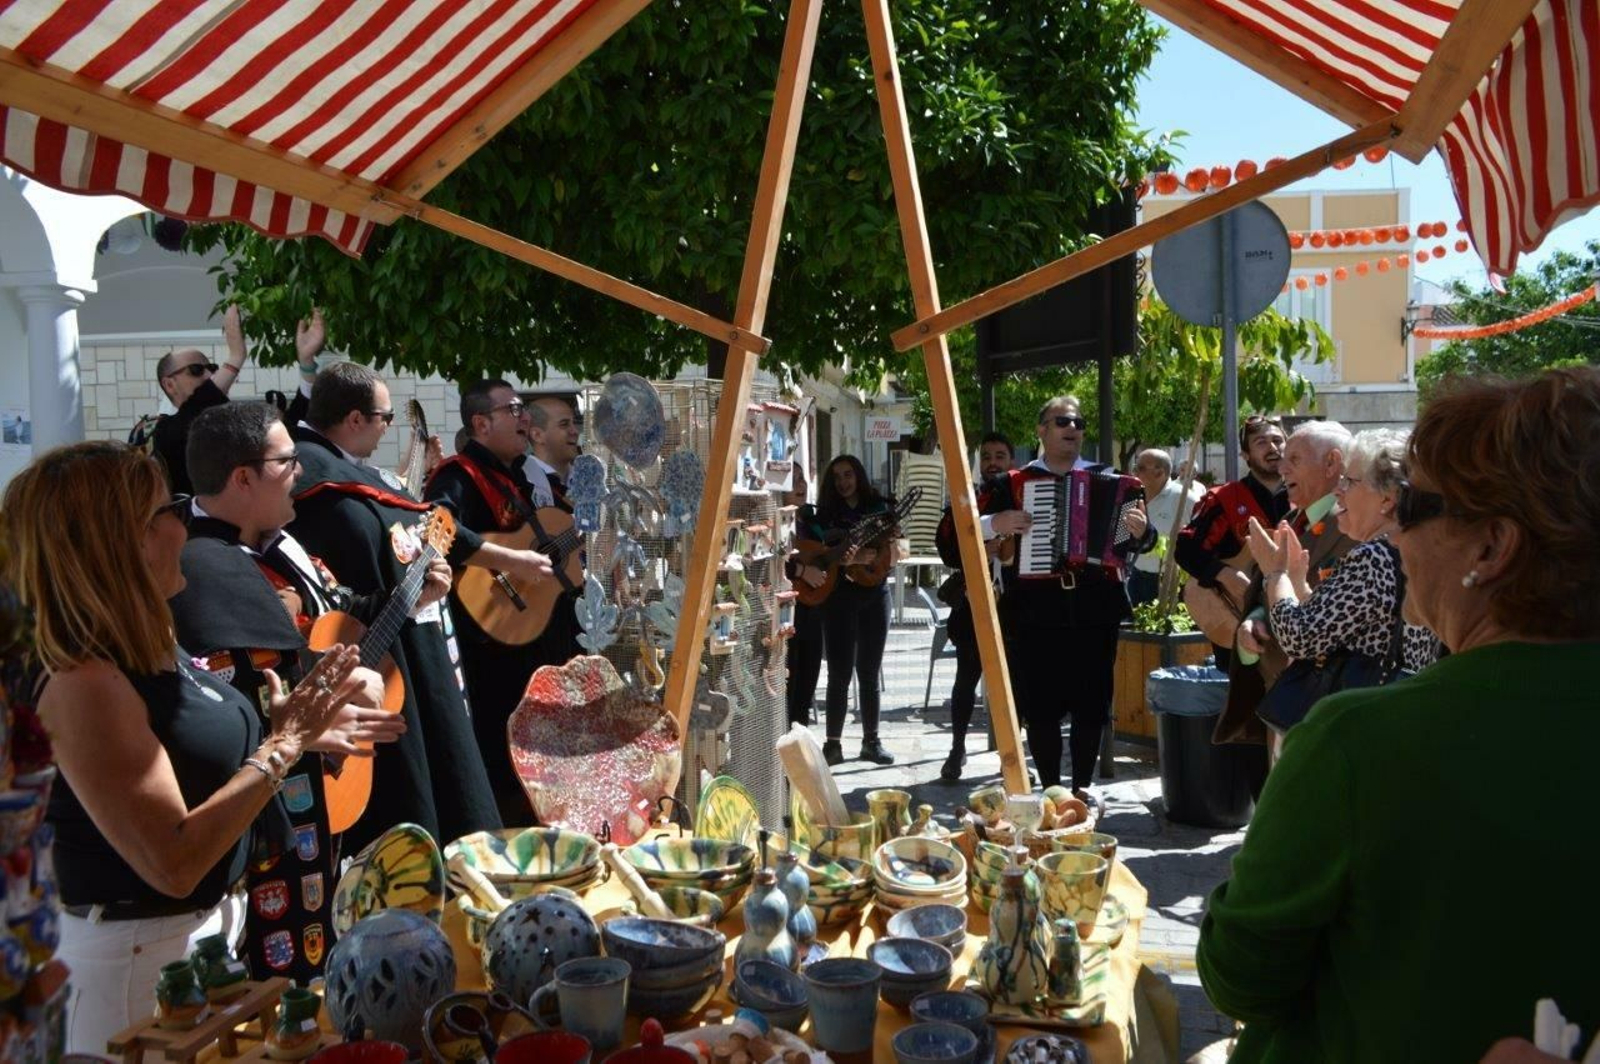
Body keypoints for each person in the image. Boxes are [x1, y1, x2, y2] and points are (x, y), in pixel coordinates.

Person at [1196, 368, 1600, 1061]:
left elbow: (1241, 976)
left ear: (1491, 547)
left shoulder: (1357, 743)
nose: (1397, 531)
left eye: (1411, 505)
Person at [1, 441, 365, 1052]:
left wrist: (287, 733)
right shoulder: (82, 681)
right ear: (123, 541)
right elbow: (171, 861)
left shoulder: (142, 638)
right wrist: (282, 746)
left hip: (194, 946)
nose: (185, 521)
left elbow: (196, 763)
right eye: (169, 509)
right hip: (134, 972)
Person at [169, 402, 414, 981]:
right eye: (287, 461)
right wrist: (320, 715)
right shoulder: (198, 568)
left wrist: (408, 596)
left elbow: (336, 613)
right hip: (262, 829)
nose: (300, 471)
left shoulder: (280, 542)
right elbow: (229, 690)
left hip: (316, 801)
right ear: (243, 478)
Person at [289, 362, 506, 847]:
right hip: (365, 677)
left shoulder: (349, 477)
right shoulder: (318, 485)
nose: (388, 428)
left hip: (404, 645)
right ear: (354, 419)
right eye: (385, 418)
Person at [979, 397, 1154, 797]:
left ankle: (1082, 789)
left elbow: (1134, 542)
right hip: (1035, 609)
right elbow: (966, 525)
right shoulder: (1011, 483)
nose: (1072, 428)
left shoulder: (1113, 480)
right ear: (1041, 430)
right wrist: (996, 522)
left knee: (1092, 704)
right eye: (1062, 421)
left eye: (1078, 422)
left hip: (1095, 606)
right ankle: (1051, 790)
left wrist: (1141, 532)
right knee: (1039, 705)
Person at [425, 380, 570, 824]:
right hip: (490, 645)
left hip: (531, 637)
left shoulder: (524, 477)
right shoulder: (458, 476)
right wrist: (510, 560)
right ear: (481, 423)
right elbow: (436, 528)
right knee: (505, 764)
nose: (525, 418)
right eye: (514, 409)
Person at [1246, 428, 1443, 693]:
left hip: (1368, 708)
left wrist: (1276, 574)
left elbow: (1300, 637)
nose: (1338, 491)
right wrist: (1298, 583)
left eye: (1349, 481)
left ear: (1387, 498)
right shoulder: (1406, 550)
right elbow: (1337, 621)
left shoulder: (1373, 557)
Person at [1213, 419, 1357, 746]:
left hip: (1327, 711)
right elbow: (1265, 592)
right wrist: (1253, 622)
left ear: (1332, 463)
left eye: (1294, 459)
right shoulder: (1292, 520)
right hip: (1282, 702)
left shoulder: (1355, 527)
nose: (1282, 469)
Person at [152, 307, 325, 495]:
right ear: (169, 384)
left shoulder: (233, 422)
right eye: (196, 370)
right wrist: (235, 357)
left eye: (212, 368)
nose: (209, 375)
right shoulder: (165, 432)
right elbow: (195, 413)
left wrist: (307, 364)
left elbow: (292, 428)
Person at [1174, 415, 1290, 664]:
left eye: (1277, 440)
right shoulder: (1224, 499)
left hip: (1293, 621)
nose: (1272, 448)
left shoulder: (1305, 495)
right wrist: (1225, 574)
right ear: (1245, 455)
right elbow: (1185, 549)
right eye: (1261, 442)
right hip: (1235, 618)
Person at [933, 432, 1014, 782]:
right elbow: (949, 551)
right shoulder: (968, 498)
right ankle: (957, 749)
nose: (992, 463)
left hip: (1014, 606)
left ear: (1011, 460)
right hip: (973, 604)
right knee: (965, 680)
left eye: (999, 456)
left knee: (1014, 685)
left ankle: (1011, 757)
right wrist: (979, 548)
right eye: (987, 456)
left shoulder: (1023, 494)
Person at [811, 454, 899, 766]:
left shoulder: (878, 507)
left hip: (875, 594)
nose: (843, 482)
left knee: (869, 671)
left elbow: (899, 549)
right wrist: (845, 558)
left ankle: (871, 742)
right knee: (839, 672)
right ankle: (832, 745)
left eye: (848, 474)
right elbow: (817, 557)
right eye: (837, 477)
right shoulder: (824, 515)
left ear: (858, 475)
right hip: (839, 598)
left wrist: (882, 553)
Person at [1128, 447, 1205, 607]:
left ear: (1160, 472)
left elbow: (1203, 539)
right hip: (1136, 576)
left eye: (1140, 468)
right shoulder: (1134, 495)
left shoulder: (1185, 498)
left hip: (1169, 582)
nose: (1134, 472)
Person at [783, 467, 826, 728]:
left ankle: (799, 741)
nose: (801, 485)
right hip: (786, 615)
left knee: (806, 685)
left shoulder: (811, 522)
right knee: (788, 685)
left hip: (811, 612)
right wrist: (801, 571)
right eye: (793, 480)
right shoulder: (776, 518)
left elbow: (823, 556)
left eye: (802, 479)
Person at [524, 394, 582, 507]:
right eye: (564, 424)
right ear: (537, 435)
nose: (575, 431)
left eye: (574, 423)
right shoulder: (523, 481)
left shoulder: (586, 478)